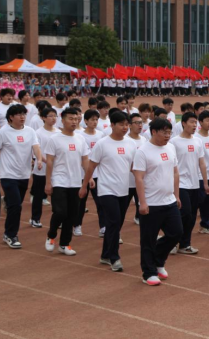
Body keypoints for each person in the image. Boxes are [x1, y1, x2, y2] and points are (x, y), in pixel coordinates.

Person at [81, 111, 136, 271]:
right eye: (121, 124)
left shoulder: (131, 144)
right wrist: (84, 186)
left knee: (116, 224)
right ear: (112, 125)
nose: (125, 127)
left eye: (127, 124)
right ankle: (114, 257)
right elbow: (91, 167)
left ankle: (105, 255)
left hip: (124, 189)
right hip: (106, 189)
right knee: (113, 222)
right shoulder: (102, 144)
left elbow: (133, 167)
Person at [0, 104, 43, 249]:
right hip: (8, 175)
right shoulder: (2, 132)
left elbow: (36, 147)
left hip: (24, 174)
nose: (22, 117)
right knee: (16, 206)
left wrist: (39, 159)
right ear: (11, 117)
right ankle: (10, 235)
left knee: (15, 205)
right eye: (19, 114)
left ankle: (7, 201)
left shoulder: (30, 131)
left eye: (24, 114)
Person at [134, 117, 183, 286]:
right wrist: (142, 202)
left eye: (169, 132)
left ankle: (158, 261)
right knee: (148, 239)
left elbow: (175, 172)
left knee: (176, 233)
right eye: (164, 132)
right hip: (151, 203)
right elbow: (139, 178)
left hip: (169, 201)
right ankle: (148, 273)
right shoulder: (142, 152)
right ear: (153, 132)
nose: (168, 135)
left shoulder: (170, 147)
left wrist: (177, 195)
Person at [44, 108, 89, 256]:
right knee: (60, 212)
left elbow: (85, 160)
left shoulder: (80, 139)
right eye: (71, 119)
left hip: (75, 181)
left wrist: (89, 178)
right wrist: (48, 182)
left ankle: (64, 244)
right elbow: (49, 161)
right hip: (59, 180)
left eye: (76, 119)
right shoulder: (54, 139)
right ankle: (51, 235)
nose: (74, 122)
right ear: (62, 120)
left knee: (72, 215)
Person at [170, 112, 209, 255]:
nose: (194, 125)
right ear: (183, 123)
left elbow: (202, 163)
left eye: (195, 122)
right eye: (192, 122)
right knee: (185, 213)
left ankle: (185, 244)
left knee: (192, 215)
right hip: (180, 184)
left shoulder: (198, 141)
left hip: (195, 183)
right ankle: (172, 240)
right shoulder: (174, 142)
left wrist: (205, 183)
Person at [30, 107, 59, 228]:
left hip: (56, 170)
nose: (53, 118)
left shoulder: (59, 132)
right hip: (41, 169)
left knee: (57, 196)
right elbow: (37, 150)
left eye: (55, 116)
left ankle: (58, 219)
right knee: (38, 195)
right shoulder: (38, 133)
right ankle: (35, 218)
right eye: (50, 116)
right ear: (43, 118)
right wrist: (47, 161)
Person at [126, 113, 148, 225]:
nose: (140, 125)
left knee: (142, 203)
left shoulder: (144, 140)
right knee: (122, 208)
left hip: (141, 181)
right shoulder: (125, 140)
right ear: (129, 125)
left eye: (141, 123)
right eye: (137, 123)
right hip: (127, 181)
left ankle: (138, 217)